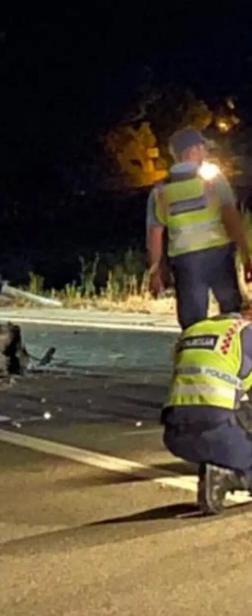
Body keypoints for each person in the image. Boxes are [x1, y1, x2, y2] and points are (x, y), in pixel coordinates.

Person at [147, 127, 252, 330]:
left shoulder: (159, 191)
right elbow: (232, 220)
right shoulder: (213, 181)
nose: (205, 152)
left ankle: (196, 350)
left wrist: (155, 272)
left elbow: (155, 235)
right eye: (202, 147)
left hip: (185, 262)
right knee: (232, 319)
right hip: (219, 257)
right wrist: (246, 256)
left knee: (193, 324)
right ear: (193, 150)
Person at [162, 311, 252, 514]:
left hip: (175, 435)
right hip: (217, 432)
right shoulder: (247, 334)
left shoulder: (193, 330)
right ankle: (225, 477)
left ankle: (219, 463)